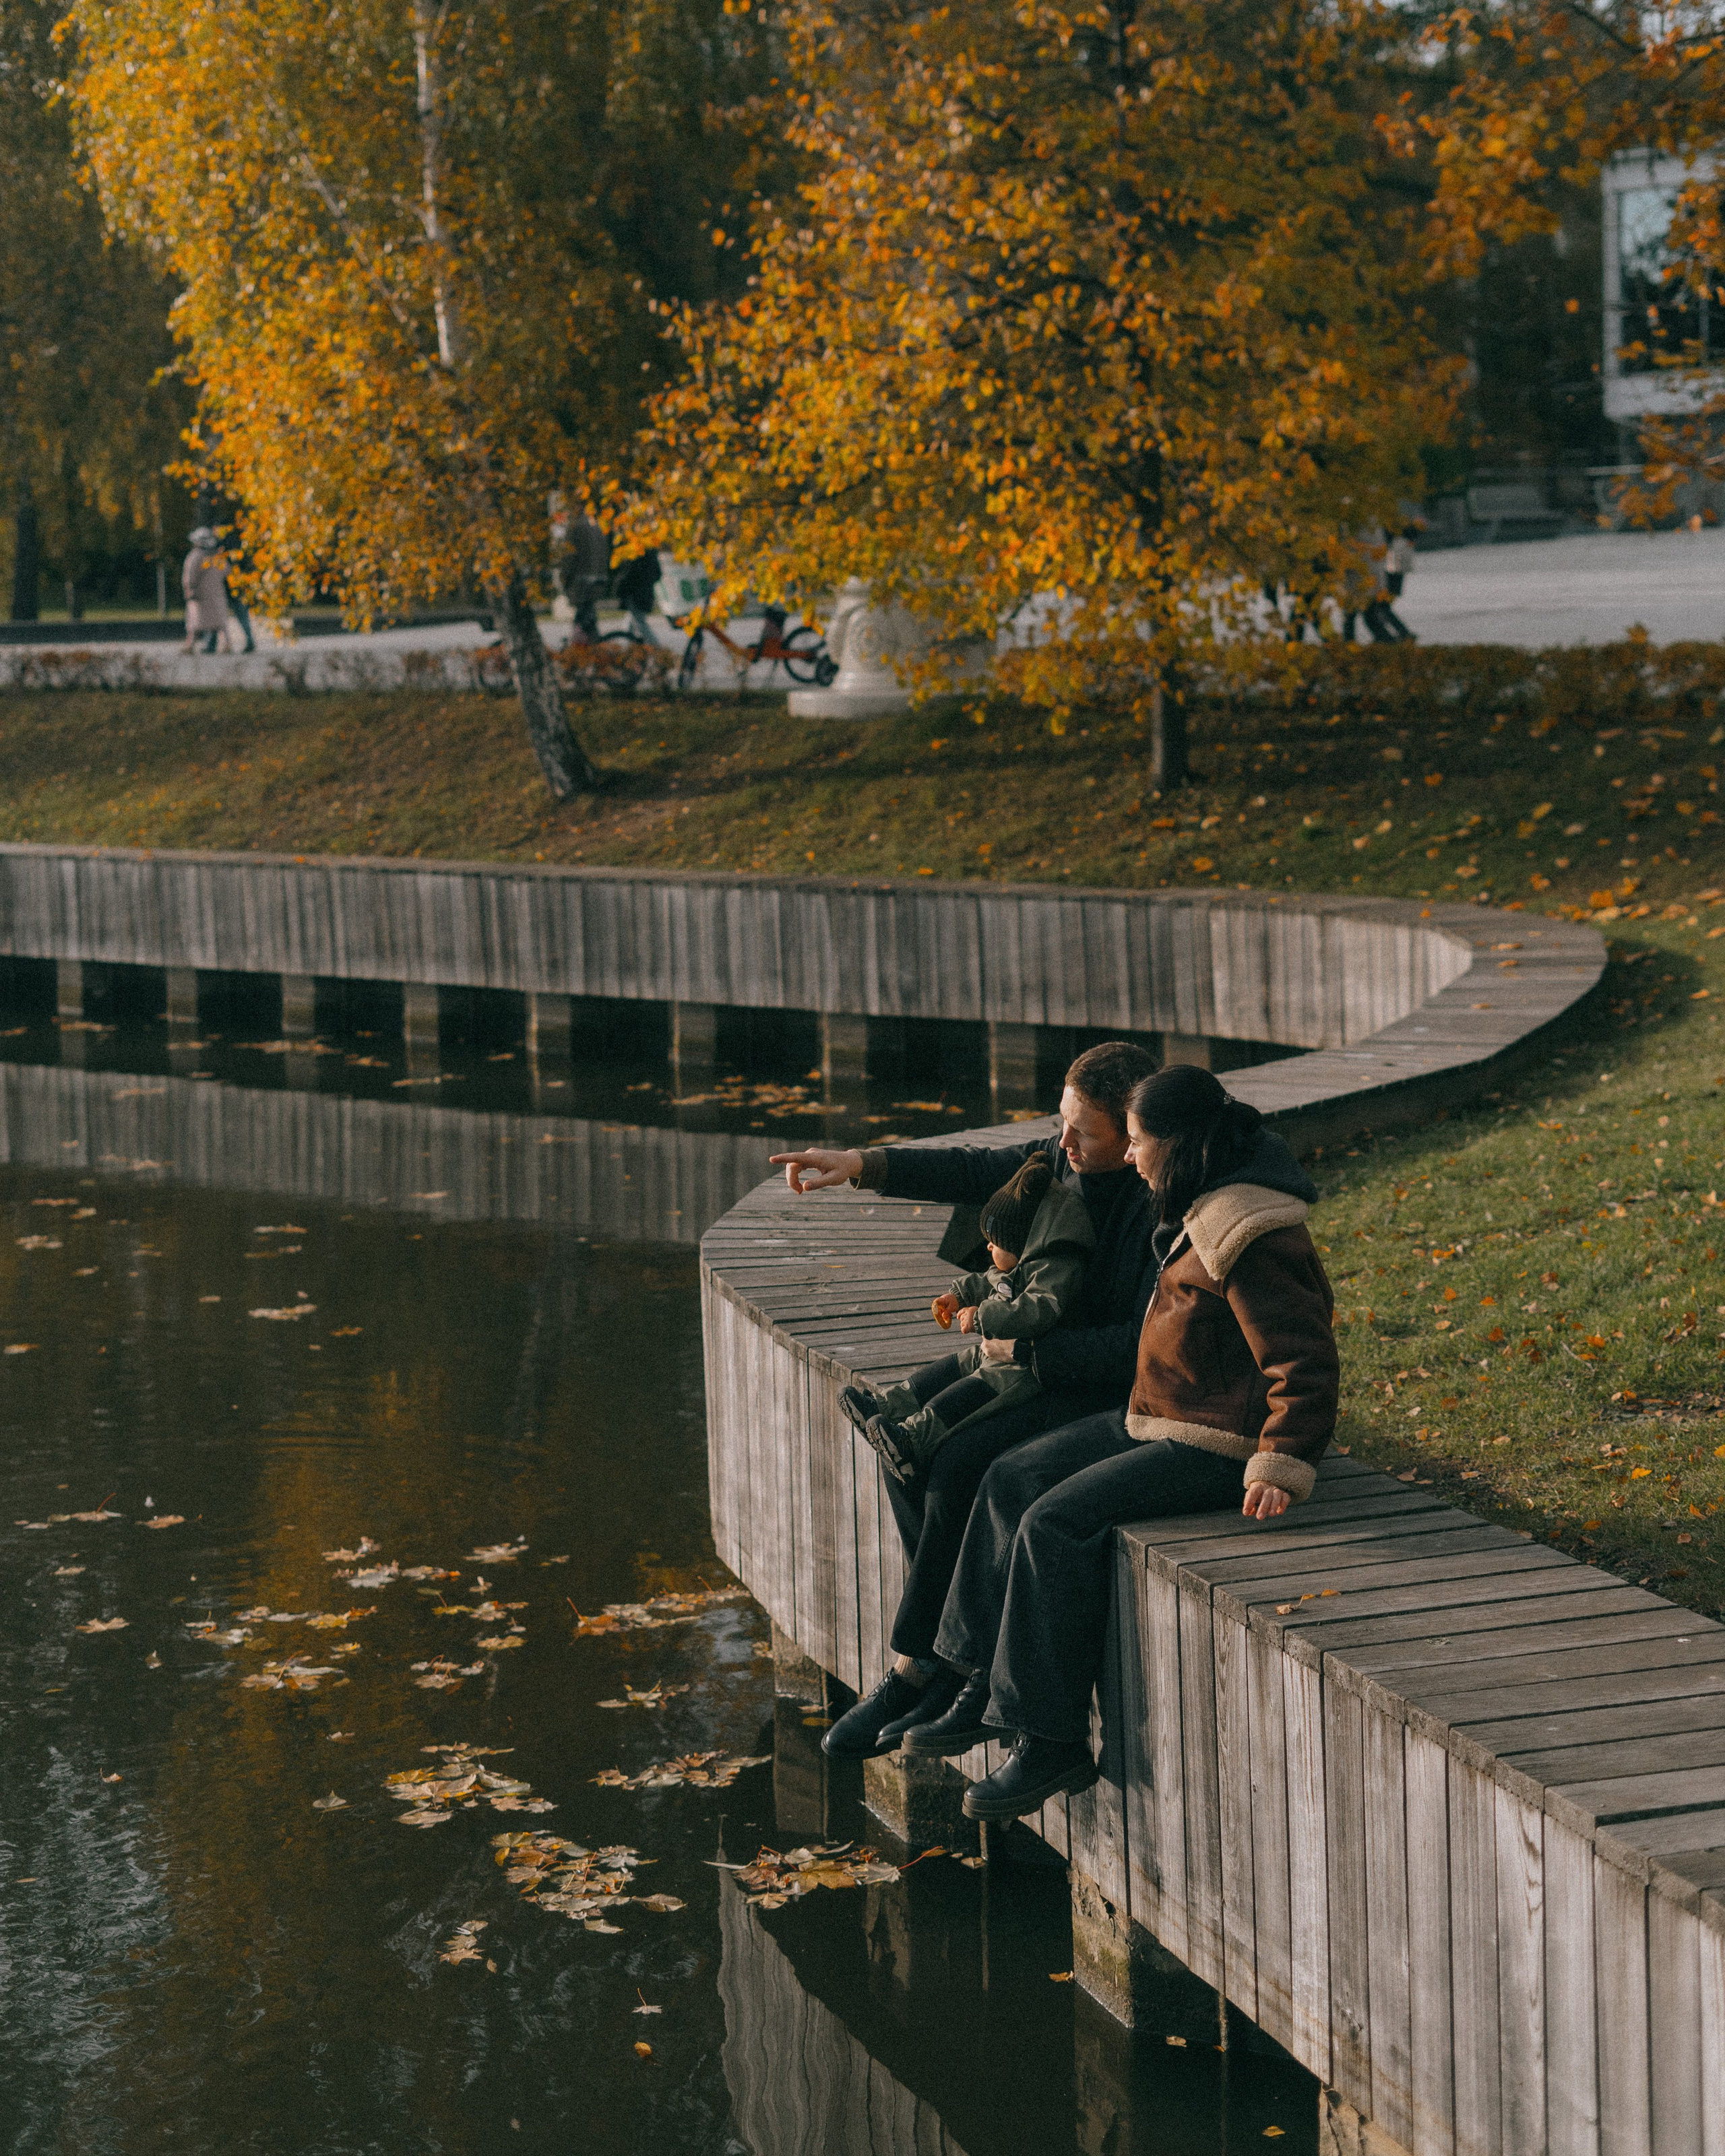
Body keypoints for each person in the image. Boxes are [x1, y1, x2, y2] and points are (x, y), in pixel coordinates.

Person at [898, 1065, 1336, 1821]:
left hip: (1218, 1439)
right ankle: (971, 1678)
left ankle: (1050, 1739)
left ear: (1178, 1142)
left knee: (1055, 1521)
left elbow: (1303, 1354)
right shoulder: (1201, 1196)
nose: (1129, 1157)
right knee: (1010, 1475)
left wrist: (1282, 1457)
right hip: (1159, 1412)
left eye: (1136, 1142)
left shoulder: (1249, 1228)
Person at [771, 1040, 1164, 1760]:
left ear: (1133, 1130)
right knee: (900, 1439)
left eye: (1086, 1132)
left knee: (959, 1464)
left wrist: (1027, 1351)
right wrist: (861, 1166)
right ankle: (935, 1659)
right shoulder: (1065, 1154)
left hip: (1092, 1381)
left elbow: (1136, 1349)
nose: (1064, 1142)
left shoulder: (1154, 1201)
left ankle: (928, 1667)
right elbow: (977, 1167)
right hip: (1031, 1356)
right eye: (1061, 1122)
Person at [841, 1154, 1094, 1484]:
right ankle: (886, 1406)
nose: (988, 1247)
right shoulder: (1016, 1263)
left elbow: (1037, 1310)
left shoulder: (1054, 1269)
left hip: (1019, 1369)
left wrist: (981, 1316)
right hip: (993, 1350)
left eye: (995, 1243)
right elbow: (987, 1279)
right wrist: (958, 1295)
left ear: (1023, 1245)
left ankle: (912, 1438)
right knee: (946, 1370)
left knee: (967, 1395)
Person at [181, 528, 230, 654]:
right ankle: (227, 644)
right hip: (217, 592)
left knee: (195, 622)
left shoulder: (195, 556)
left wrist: (189, 588)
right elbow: (227, 571)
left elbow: (189, 576)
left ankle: (190, 646)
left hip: (200, 594)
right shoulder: (218, 556)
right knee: (220, 622)